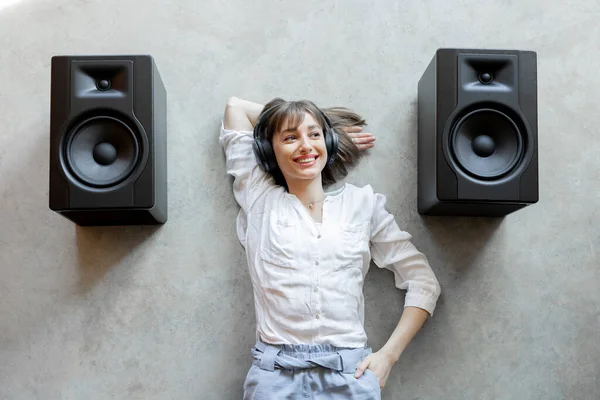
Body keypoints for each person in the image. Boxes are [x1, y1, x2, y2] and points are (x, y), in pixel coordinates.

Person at [220, 96, 441, 400]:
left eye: (315, 135)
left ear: (328, 142)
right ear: (271, 148)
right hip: (274, 380)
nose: (305, 145)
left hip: (351, 377)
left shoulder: (363, 204)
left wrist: (388, 356)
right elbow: (235, 108)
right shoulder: (258, 196)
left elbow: (424, 282)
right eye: (290, 137)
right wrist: (303, 120)